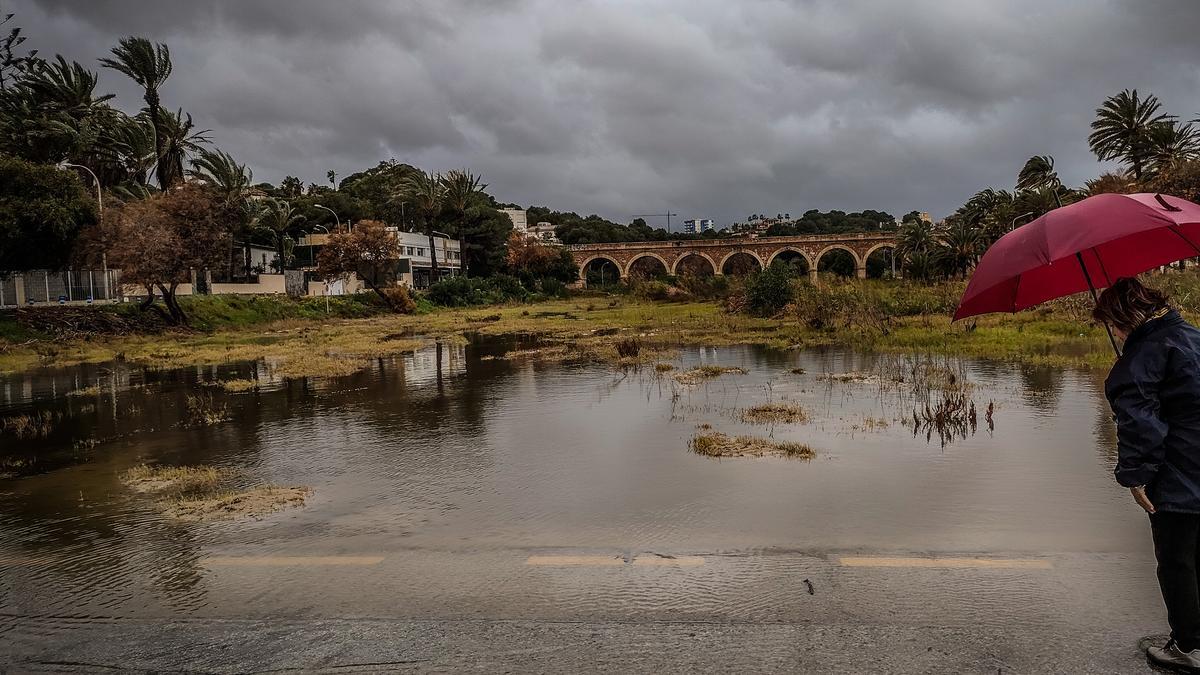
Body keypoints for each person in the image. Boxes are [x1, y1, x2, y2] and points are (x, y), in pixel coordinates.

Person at [1096, 276, 1200, 671]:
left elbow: (1141, 423)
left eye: (1113, 324)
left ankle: (1190, 646)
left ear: (1124, 317)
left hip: (1179, 474)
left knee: (1177, 560)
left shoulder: (1144, 354)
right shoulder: (1192, 336)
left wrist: (1135, 477)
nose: (1115, 333)